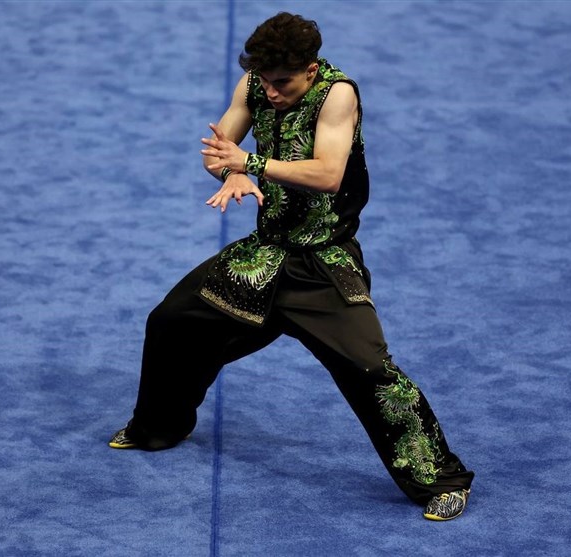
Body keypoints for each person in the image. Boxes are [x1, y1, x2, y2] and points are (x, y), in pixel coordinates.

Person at [110, 12, 474, 521]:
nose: (270, 92)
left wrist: (251, 164)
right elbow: (218, 152)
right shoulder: (255, 84)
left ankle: (444, 480)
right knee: (172, 322)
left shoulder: (337, 95)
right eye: (263, 80)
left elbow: (327, 174)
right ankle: (159, 427)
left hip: (322, 265)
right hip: (264, 256)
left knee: (370, 370)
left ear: (310, 69)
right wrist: (228, 172)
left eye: (282, 82)